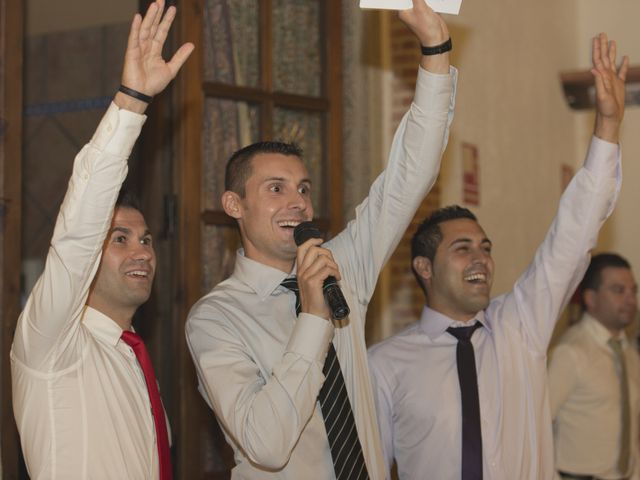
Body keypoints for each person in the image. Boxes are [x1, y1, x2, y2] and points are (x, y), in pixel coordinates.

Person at [185, 1, 456, 478]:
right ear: (234, 206)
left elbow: (409, 178)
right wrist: (313, 315)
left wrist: (435, 48)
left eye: (303, 189)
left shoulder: (341, 265)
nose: (298, 203)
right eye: (276, 189)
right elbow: (266, 445)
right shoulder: (215, 318)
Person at [367, 33, 628, 480]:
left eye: (485, 248)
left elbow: (574, 232)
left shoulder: (520, 326)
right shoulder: (386, 363)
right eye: (462, 248)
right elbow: (369, 467)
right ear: (424, 268)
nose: (481, 259)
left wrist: (608, 125)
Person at [11, 2, 193, 478]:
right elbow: (76, 234)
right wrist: (132, 101)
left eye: (148, 239)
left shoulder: (135, 360)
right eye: (120, 239)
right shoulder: (51, 343)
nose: (143, 252)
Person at [548, 253, 640, 480]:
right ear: (590, 298)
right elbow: (537, 426)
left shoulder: (627, 350)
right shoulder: (570, 352)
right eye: (619, 290)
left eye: (633, 291)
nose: (630, 300)